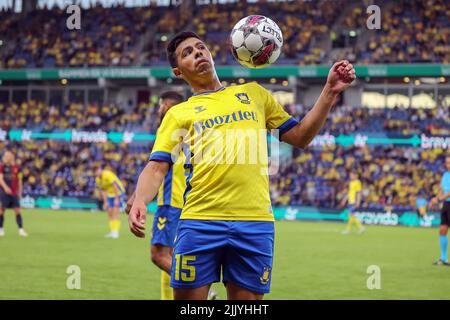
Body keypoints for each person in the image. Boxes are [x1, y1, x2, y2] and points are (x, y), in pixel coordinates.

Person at [128, 31, 356, 300]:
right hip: (200, 221)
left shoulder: (254, 95)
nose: (197, 53)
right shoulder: (179, 113)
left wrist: (329, 91)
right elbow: (156, 167)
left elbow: (301, 136)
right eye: (187, 53)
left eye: (201, 47)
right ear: (178, 71)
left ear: (212, 55)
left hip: (255, 221)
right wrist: (141, 199)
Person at [0, 150, 28, 237]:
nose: (7, 157)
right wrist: (5, 188)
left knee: (17, 211)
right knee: (1, 211)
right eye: (6, 156)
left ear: (12, 157)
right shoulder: (2, 167)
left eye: (9, 155)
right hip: (4, 192)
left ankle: (21, 229)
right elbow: (0, 179)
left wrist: (20, 192)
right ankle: (1, 229)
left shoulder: (18, 168)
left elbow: (20, 181)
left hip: (14, 193)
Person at [429, 155, 450, 266]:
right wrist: (435, 199)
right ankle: (444, 258)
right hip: (446, 205)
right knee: (442, 230)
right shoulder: (446, 175)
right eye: (447, 163)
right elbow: (442, 189)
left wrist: (439, 198)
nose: (448, 165)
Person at [95, 165, 126, 239]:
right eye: (95, 171)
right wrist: (105, 202)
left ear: (100, 169)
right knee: (109, 212)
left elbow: (115, 186)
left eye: (97, 170)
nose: (96, 172)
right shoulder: (98, 180)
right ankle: (112, 231)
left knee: (116, 212)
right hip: (110, 194)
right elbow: (103, 190)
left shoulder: (107, 174)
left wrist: (116, 199)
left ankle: (116, 232)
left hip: (118, 193)